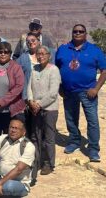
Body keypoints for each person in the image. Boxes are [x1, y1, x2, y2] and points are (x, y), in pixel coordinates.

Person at [55, 24, 106, 162]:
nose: (77, 33)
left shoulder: (94, 50)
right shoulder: (63, 49)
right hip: (69, 91)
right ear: (72, 33)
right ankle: (74, 141)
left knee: (93, 121)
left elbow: (104, 71)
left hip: (88, 92)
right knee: (70, 118)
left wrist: (96, 88)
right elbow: (55, 68)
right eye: (75, 31)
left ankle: (94, 148)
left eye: (81, 31)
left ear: (86, 34)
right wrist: (59, 86)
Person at [27, 45, 61, 176]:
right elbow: (29, 86)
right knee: (35, 136)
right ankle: (36, 161)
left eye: (43, 54)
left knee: (49, 137)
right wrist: (30, 101)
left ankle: (49, 163)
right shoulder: (34, 69)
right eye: (38, 54)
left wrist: (39, 104)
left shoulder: (54, 70)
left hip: (49, 109)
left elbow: (53, 93)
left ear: (49, 56)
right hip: (35, 108)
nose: (40, 56)